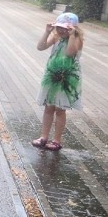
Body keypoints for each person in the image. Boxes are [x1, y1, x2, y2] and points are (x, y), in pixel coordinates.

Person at [32, 12, 84, 151]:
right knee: (48, 107)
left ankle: (57, 140)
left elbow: (69, 53)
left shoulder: (77, 39)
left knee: (60, 110)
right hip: (52, 75)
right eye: (59, 27)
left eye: (65, 28)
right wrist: (46, 32)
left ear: (73, 28)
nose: (61, 30)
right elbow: (40, 47)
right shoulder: (56, 37)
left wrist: (72, 36)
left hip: (66, 77)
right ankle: (44, 136)